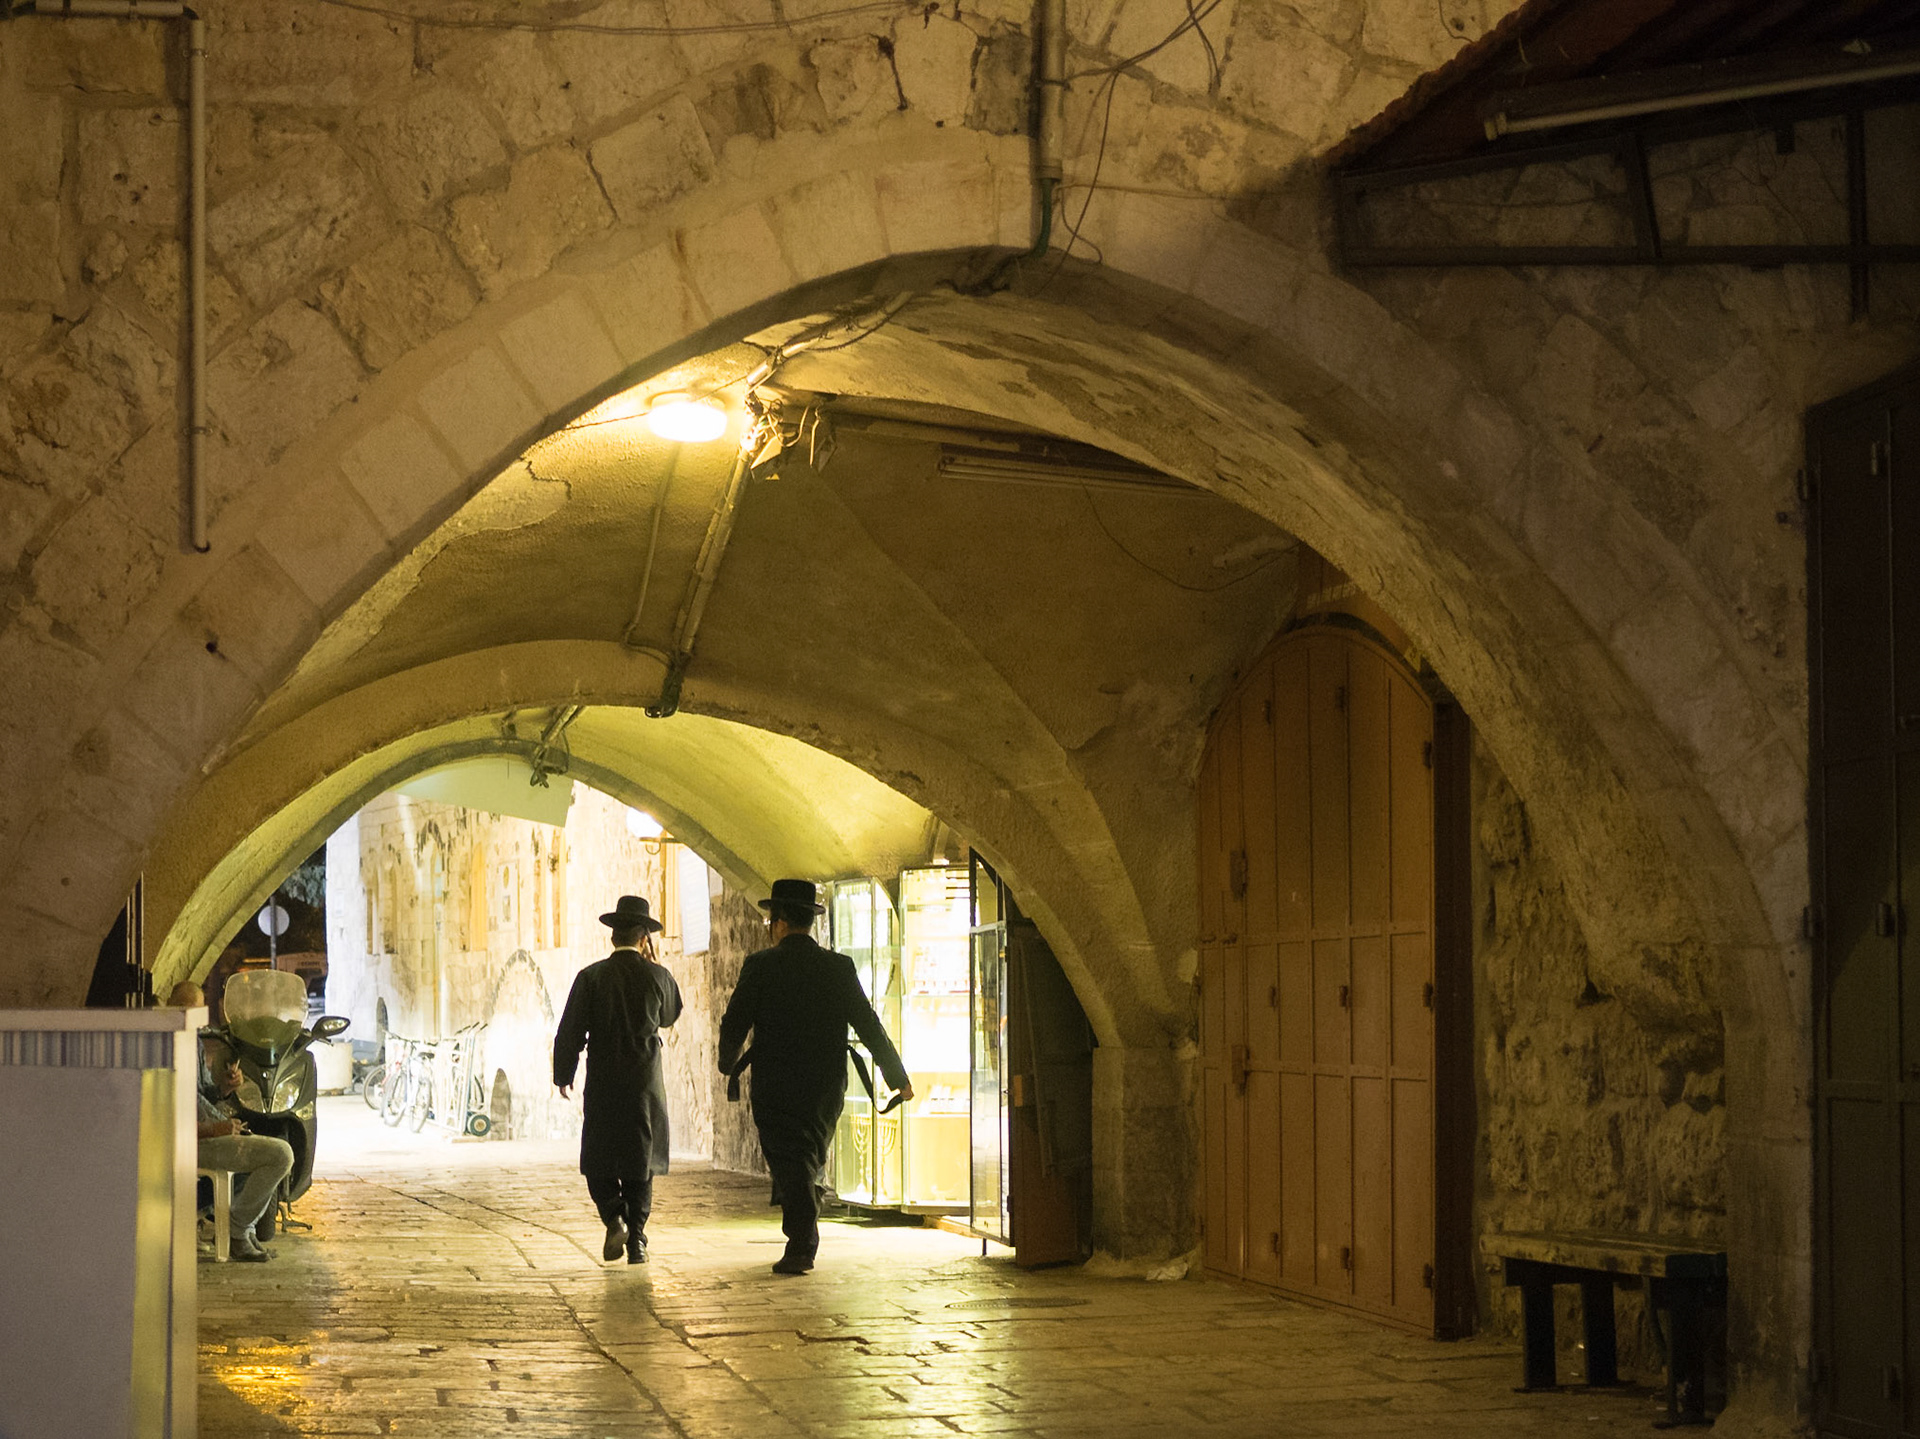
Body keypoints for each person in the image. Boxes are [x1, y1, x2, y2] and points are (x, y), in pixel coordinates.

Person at [718, 879, 913, 1275]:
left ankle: (802, 1243)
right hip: (825, 1084)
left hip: (775, 1082)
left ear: (778, 922)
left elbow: (734, 1020)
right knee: (806, 1154)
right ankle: (802, 1231)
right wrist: (897, 1077)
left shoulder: (760, 966)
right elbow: (868, 1024)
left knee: (791, 1157)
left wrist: (727, 1061)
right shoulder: (837, 967)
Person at [554, 895, 683, 1265]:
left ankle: (614, 1217)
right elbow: (670, 1015)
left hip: (605, 1079)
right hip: (645, 1081)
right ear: (645, 937)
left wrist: (564, 1074)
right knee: (641, 1161)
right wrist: (655, 970)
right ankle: (638, 1240)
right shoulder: (658, 976)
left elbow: (570, 1031)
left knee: (599, 1156)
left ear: (613, 936)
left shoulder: (591, 977)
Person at [196, 1034, 294, 1262]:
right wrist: (213, 1129)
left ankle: (241, 1229)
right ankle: (236, 1230)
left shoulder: (194, 1043)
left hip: (209, 1131)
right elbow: (168, 1121)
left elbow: (203, 1093)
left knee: (273, 1151)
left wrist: (225, 1088)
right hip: (192, 1142)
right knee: (280, 1155)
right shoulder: (162, 1052)